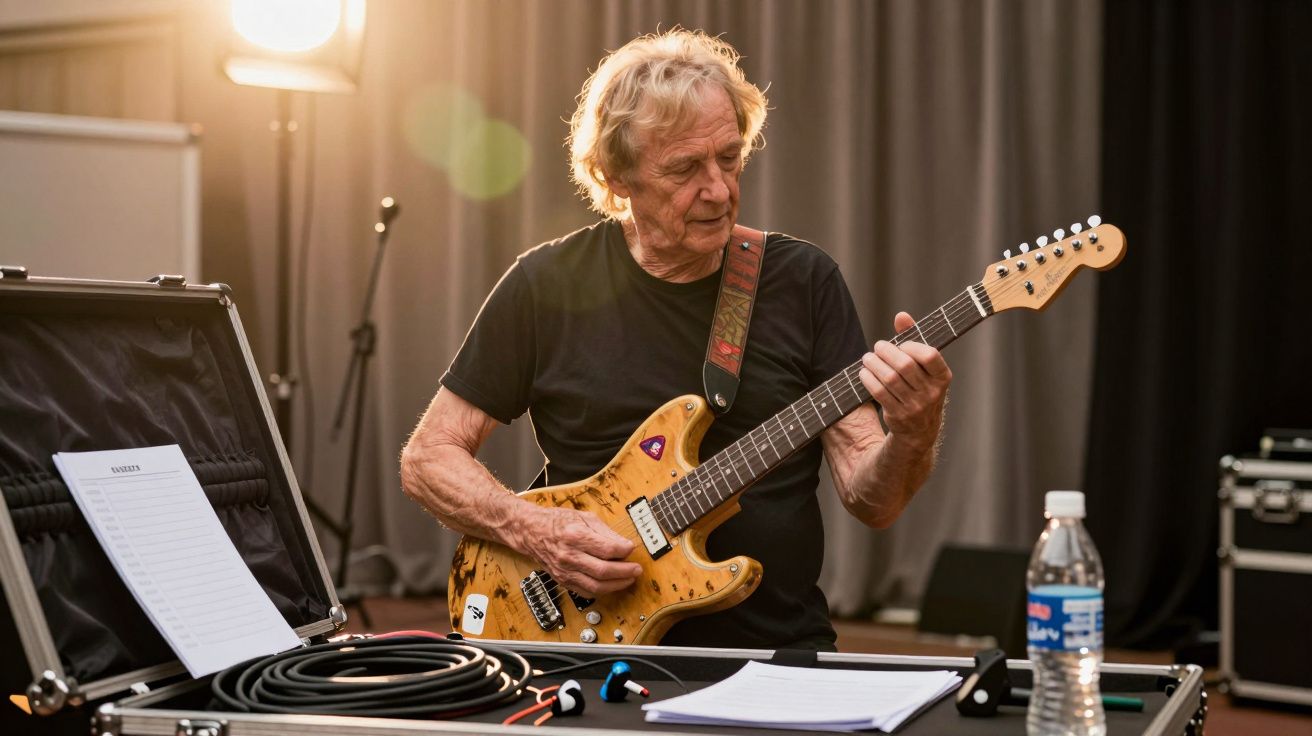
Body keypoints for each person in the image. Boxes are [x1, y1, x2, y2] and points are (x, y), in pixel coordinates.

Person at [400, 29, 951, 651]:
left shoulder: (803, 281)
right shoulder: (545, 284)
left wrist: (914, 429)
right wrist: (534, 530)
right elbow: (429, 457)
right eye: (685, 168)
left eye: (729, 157)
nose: (717, 189)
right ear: (616, 180)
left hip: (773, 654)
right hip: (584, 652)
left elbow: (872, 499)